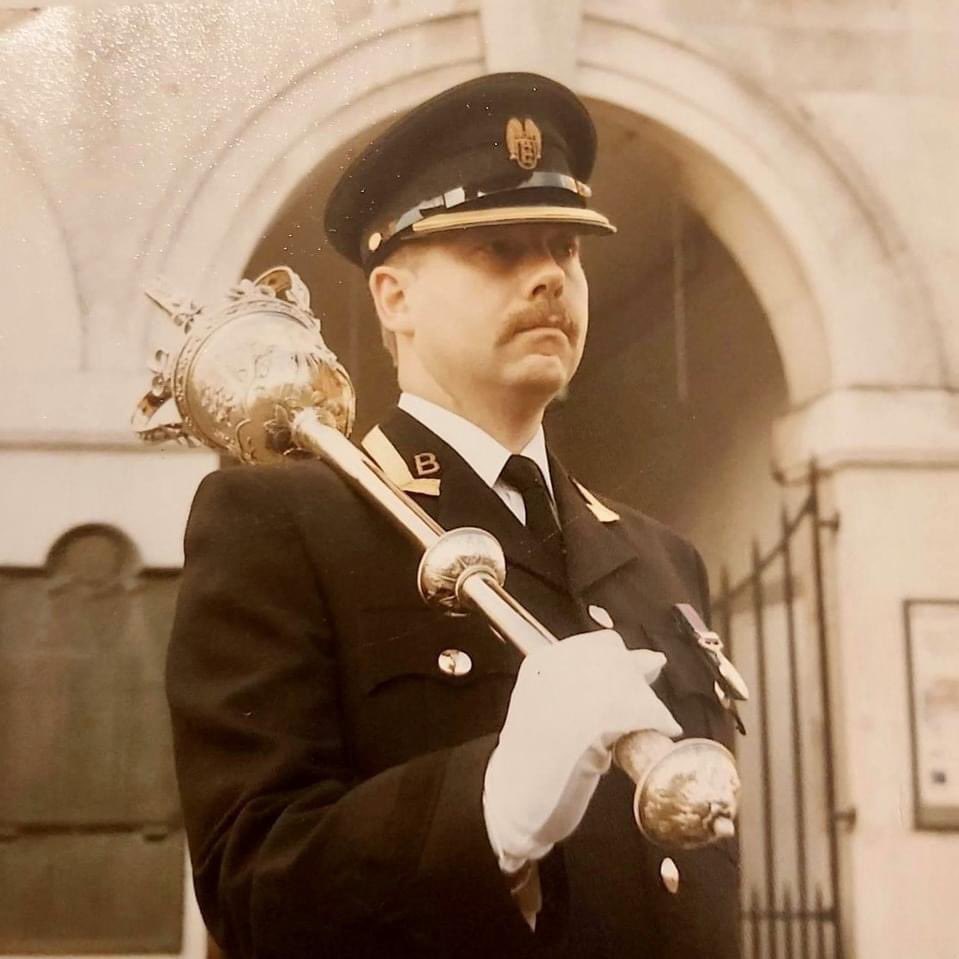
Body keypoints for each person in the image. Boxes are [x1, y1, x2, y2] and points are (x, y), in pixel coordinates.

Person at [167, 72, 741, 958]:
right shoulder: (284, 523)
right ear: (393, 297)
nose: (549, 275)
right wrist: (493, 809)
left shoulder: (663, 557)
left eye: (566, 247)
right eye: (499, 248)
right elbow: (251, 885)